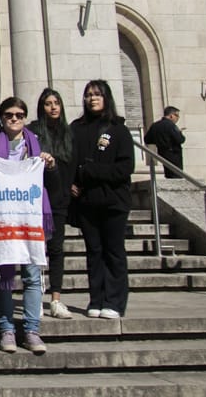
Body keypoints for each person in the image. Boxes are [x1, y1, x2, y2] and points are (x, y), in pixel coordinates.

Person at [0, 97, 53, 355]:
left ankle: (32, 330)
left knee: (32, 275)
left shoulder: (34, 142)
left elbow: (46, 176)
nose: (14, 119)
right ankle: (7, 329)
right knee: (5, 277)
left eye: (19, 115)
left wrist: (48, 163)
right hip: (4, 218)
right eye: (9, 115)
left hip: (30, 217)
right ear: (1, 118)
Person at [70, 80, 134, 319]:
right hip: (87, 202)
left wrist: (90, 171)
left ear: (106, 98)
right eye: (88, 95)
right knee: (94, 252)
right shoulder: (76, 128)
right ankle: (96, 299)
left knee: (113, 252)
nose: (92, 98)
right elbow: (69, 161)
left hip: (114, 202)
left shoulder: (118, 129)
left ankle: (114, 302)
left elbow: (125, 167)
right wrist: (71, 183)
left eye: (97, 94)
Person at [29, 87, 74, 319]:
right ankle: (35, 296)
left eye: (56, 103)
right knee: (35, 250)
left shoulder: (68, 132)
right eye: (48, 103)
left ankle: (56, 299)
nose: (53, 107)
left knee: (56, 249)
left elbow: (73, 163)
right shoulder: (33, 131)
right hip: (36, 198)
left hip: (59, 199)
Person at [145, 106, 184, 178]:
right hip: (174, 154)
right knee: (176, 176)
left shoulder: (155, 125)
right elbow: (180, 139)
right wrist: (179, 132)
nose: (178, 118)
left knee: (169, 175)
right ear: (171, 115)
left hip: (162, 153)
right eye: (177, 115)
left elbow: (147, 139)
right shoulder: (171, 125)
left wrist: (159, 140)